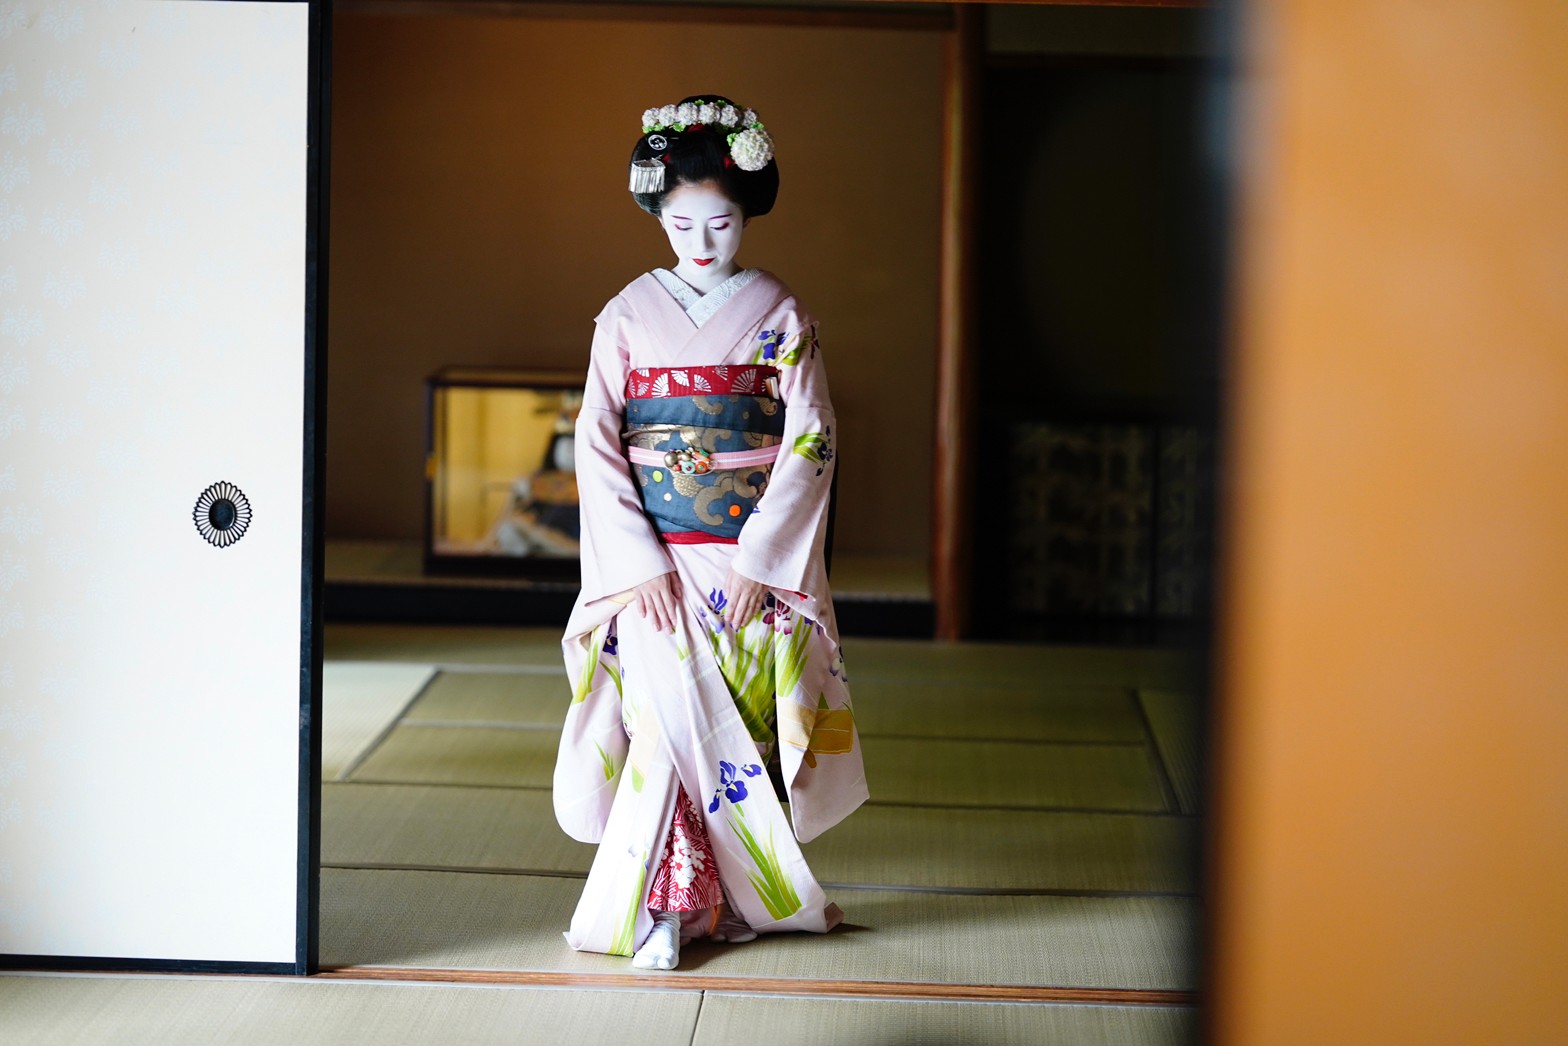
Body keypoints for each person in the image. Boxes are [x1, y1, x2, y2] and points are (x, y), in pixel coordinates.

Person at [553, 95, 867, 971]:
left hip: (749, 558)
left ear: (747, 216)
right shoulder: (624, 316)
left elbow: (810, 435)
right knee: (663, 725)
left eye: (721, 225)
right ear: (658, 213)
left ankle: (721, 903)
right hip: (655, 561)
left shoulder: (779, 311)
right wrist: (634, 562)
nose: (700, 245)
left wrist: (767, 559)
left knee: (741, 723)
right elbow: (598, 442)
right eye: (682, 223)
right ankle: (662, 906)